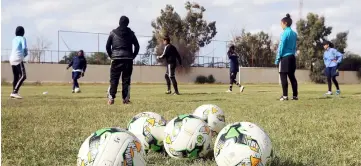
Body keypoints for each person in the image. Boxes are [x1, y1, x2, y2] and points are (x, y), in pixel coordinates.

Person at [106, 16, 140, 105]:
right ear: (128, 23)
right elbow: (137, 46)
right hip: (128, 59)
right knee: (126, 80)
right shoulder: (131, 33)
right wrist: (133, 56)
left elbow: (107, 46)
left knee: (114, 79)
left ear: (119, 22)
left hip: (116, 59)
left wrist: (111, 56)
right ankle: (125, 99)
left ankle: (111, 99)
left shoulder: (112, 33)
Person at [275, 14, 298, 101]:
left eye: (281, 23)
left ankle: (285, 96)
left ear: (285, 23)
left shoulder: (284, 33)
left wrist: (277, 58)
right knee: (292, 77)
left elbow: (281, 46)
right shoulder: (294, 34)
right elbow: (294, 46)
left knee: (283, 76)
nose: (281, 25)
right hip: (292, 57)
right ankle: (295, 96)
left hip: (285, 57)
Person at [9, 26, 28, 99]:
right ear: (23, 32)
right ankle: (15, 92)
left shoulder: (14, 39)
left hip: (12, 59)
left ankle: (13, 93)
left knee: (16, 77)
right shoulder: (23, 38)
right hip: (18, 59)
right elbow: (24, 48)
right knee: (23, 76)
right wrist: (25, 54)